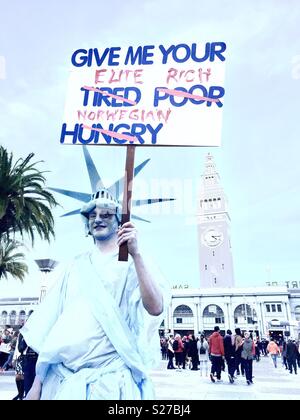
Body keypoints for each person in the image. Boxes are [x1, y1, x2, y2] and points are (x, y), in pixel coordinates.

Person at [21, 189, 170, 400]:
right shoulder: (74, 266)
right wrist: (37, 385)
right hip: (62, 382)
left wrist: (136, 254)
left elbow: (155, 307)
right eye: (93, 215)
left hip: (110, 383)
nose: (98, 219)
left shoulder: (133, 263)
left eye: (106, 215)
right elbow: (53, 327)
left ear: (120, 221)